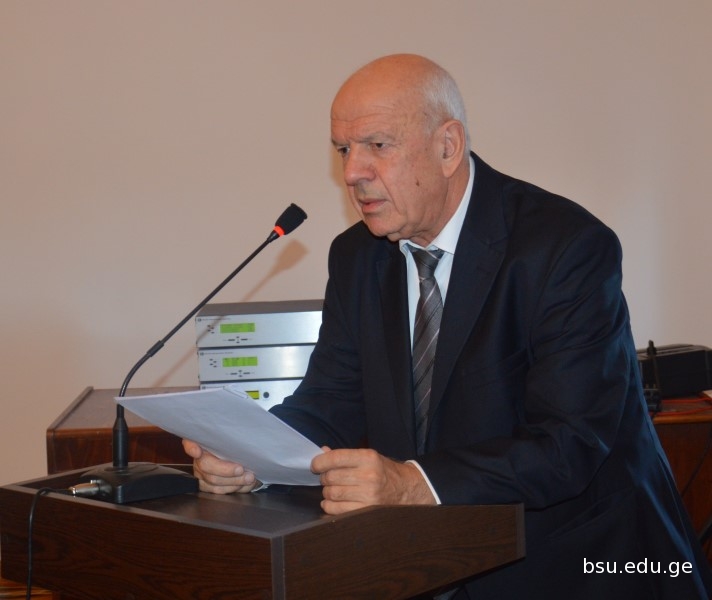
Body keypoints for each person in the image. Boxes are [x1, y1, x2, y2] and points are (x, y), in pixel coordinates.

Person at [183, 54, 712, 598]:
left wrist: (413, 483)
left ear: (448, 147)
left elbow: (568, 445)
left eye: (377, 145)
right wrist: (254, 455)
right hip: (435, 561)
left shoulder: (564, 247)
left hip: (583, 565)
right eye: (343, 149)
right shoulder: (357, 256)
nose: (352, 172)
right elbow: (330, 400)